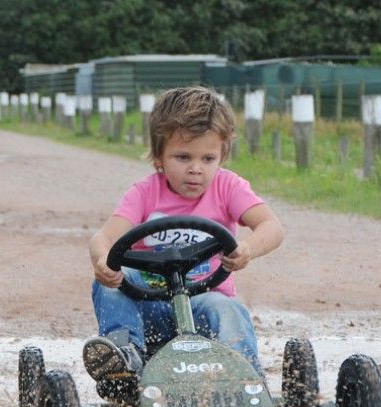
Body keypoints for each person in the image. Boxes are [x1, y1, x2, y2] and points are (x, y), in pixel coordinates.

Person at [84, 85, 283, 389]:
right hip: (147, 305)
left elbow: (271, 227)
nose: (195, 169)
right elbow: (105, 237)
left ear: (222, 156)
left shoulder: (228, 188)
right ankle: (124, 361)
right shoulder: (145, 193)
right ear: (158, 157)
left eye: (207, 159)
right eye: (182, 157)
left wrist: (247, 248)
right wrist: (102, 261)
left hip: (204, 301)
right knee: (107, 284)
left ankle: (243, 381)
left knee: (229, 309)